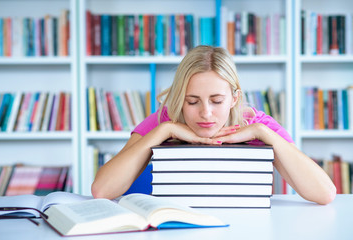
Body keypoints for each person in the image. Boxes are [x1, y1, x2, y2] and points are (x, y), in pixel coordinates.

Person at [91, 45, 336, 205]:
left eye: (217, 101)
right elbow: (102, 190)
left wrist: (262, 133)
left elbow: (324, 194)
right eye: (192, 101)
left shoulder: (258, 124)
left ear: (234, 99)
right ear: (180, 99)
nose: (205, 113)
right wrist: (165, 131)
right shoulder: (163, 120)